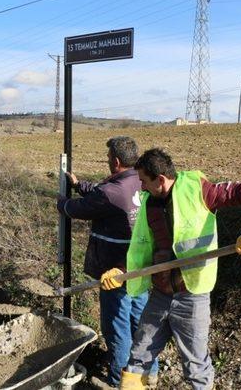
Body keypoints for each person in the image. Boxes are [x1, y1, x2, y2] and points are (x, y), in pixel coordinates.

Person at [103, 148, 241, 390]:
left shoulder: (200, 190)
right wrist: (120, 271)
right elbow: (143, 249)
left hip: (192, 295)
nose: (141, 188)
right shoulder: (149, 205)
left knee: (195, 364)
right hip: (160, 293)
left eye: (144, 182)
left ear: (160, 179)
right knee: (138, 357)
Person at [57, 136, 157, 389]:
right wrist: (80, 184)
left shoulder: (112, 192)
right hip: (139, 267)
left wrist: (62, 202)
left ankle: (118, 380)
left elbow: (77, 209)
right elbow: (101, 194)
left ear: (115, 160)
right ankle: (148, 373)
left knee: (117, 327)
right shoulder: (139, 180)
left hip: (115, 270)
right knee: (141, 321)